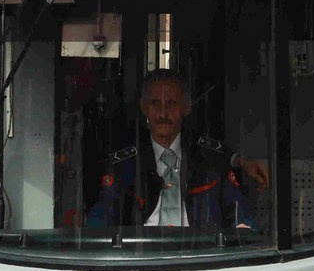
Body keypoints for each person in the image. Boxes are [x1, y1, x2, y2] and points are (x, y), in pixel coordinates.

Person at [85, 70, 266, 229]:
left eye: (171, 103)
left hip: (200, 253)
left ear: (186, 107)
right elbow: (100, 221)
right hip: (142, 253)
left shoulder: (210, 161)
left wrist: (242, 229)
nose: (163, 114)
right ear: (144, 107)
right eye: (155, 103)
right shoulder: (124, 166)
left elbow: (241, 217)